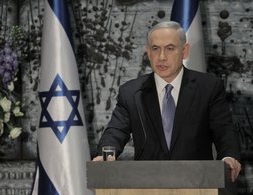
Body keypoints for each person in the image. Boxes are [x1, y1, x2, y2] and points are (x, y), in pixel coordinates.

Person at [92, 21, 241, 182]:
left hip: (197, 182)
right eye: (155, 49)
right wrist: (106, 156)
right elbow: (116, 131)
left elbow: (223, 131)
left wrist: (228, 156)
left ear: (185, 51)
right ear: (148, 52)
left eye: (170, 48)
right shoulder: (131, 92)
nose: (161, 57)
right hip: (147, 184)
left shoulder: (208, 87)